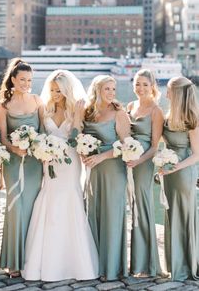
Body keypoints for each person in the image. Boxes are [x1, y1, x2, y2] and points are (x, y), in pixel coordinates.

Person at [21, 70, 98, 281]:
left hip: (70, 162)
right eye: (53, 90)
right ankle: (44, 260)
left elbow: (75, 138)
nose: (55, 94)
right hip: (49, 160)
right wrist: (43, 150)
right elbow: (40, 136)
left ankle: (75, 262)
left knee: (69, 198)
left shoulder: (76, 110)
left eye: (59, 90)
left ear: (67, 91)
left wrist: (78, 118)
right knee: (49, 198)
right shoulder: (45, 110)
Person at [0, 58, 43, 276]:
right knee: (15, 209)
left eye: (29, 80)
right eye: (22, 79)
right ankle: (13, 261)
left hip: (34, 163)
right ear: (12, 80)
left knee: (33, 209)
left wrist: (40, 149)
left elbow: (44, 132)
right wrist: (14, 149)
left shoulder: (37, 100)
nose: (26, 83)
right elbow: (2, 138)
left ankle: (32, 259)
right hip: (14, 163)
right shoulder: (3, 106)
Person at [81, 75, 130, 281]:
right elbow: (80, 137)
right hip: (94, 171)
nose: (111, 93)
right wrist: (83, 152)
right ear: (97, 90)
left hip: (113, 169)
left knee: (111, 215)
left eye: (113, 89)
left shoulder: (119, 113)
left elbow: (127, 145)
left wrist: (101, 156)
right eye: (107, 89)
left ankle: (111, 268)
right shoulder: (88, 112)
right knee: (94, 213)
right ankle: (94, 265)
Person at [161, 76, 199, 281]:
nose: (166, 93)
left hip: (183, 173)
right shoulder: (167, 116)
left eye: (168, 90)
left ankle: (186, 266)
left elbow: (197, 154)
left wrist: (175, 167)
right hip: (168, 173)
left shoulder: (192, 118)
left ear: (176, 93)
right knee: (171, 215)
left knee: (184, 216)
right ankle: (174, 264)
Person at [127, 69, 163, 277]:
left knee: (143, 207)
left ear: (152, 87)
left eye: (145, 85)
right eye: (137, 84)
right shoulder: (130, 106)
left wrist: (138, 161)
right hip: (128, 164)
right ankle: (136, 263)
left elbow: (155, 147)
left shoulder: (156, 111)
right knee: (133, 209)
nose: (140, 88)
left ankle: (149, 264)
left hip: (144, 164)